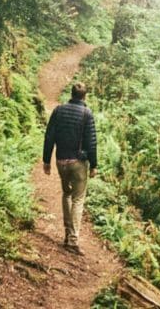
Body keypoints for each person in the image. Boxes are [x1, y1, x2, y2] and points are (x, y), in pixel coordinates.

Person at [42, 82, 98, 256]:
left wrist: (46, 160)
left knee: (66, 194)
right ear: (84, 96)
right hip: (78, 163)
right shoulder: (86, 114)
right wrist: (93, 165)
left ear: (71, 94)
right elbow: (91, 142)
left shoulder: (59, 110)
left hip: (61, 162)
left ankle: (68, 234)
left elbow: (49, 135)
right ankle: (73, 240)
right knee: (78, 199)